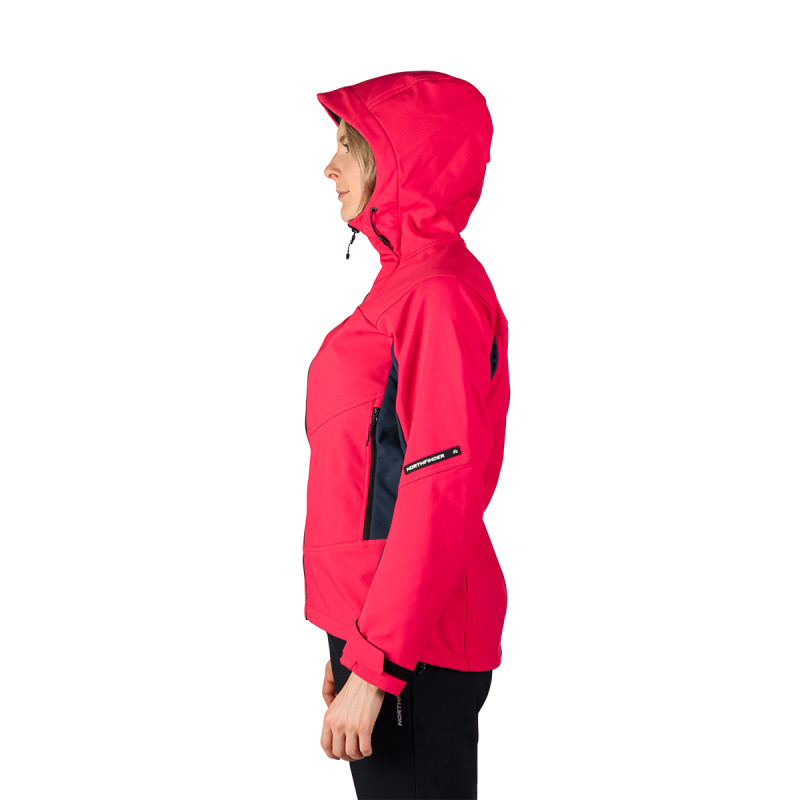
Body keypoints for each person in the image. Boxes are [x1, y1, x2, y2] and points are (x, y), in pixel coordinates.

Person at [303, 70, 510, 800]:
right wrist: (349, 635)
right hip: (382, 633)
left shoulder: (438, 293)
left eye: (347, 146)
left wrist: (376, 662)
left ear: (397, 157)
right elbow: (369, 473)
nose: (329, 167)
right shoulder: (406, 284)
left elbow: (438, 485)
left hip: (413, 647)